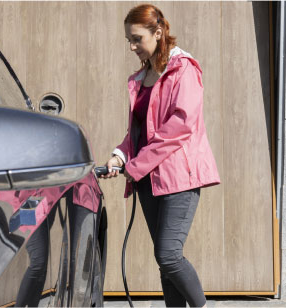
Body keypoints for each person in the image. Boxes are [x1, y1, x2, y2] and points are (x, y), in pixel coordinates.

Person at [101, 4, 220, 308]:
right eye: (129, 39)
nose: (132, 46)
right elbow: (138, 133)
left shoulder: (184, 70)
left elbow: (179, 126)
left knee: (168, 254)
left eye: (137, 38)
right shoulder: (143, 78)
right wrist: (119, 157)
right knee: (166, 264)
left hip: (179, 178)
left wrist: (137, 165)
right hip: (149, 181)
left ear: (158, 33)